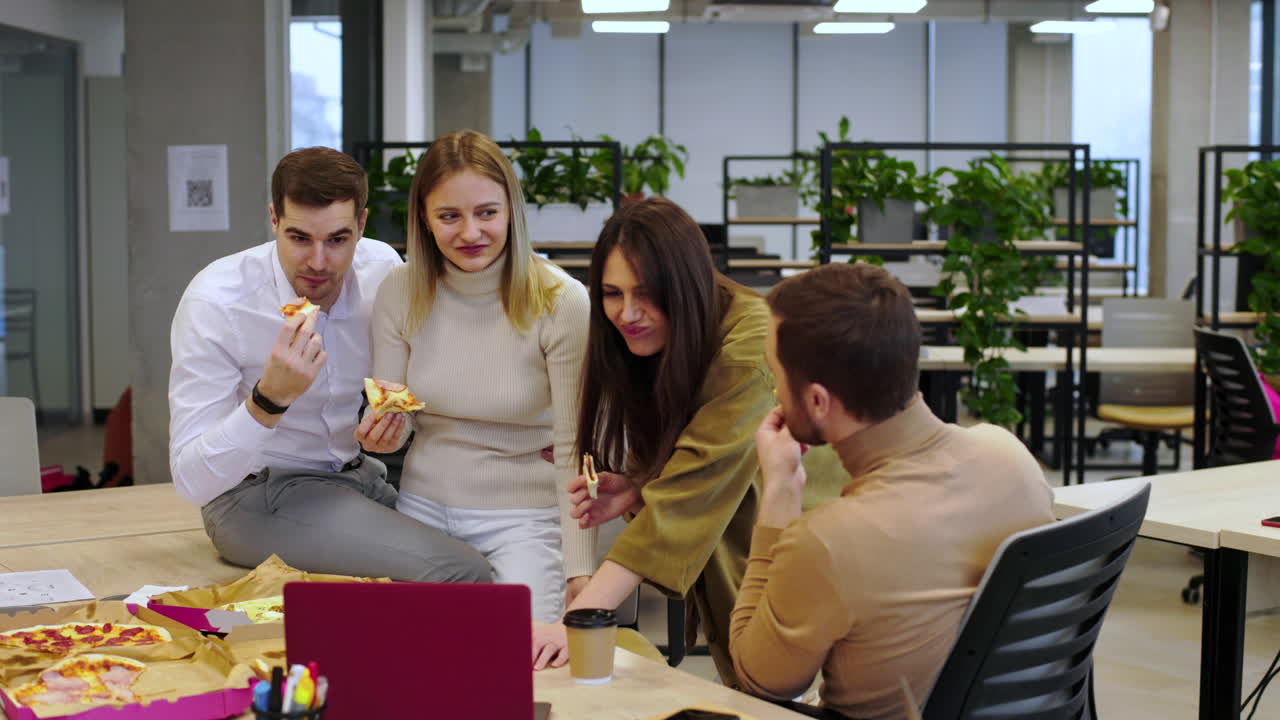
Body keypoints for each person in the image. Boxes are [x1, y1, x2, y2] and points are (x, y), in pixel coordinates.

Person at [531, 197, 846, 685]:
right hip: (737, 550)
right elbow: (687, 468)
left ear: (685, 283)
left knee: (791, 693)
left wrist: (582, 614)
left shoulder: (750, 345)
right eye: (612, 293)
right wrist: (641, 485)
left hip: (808, 551)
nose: (627, 313)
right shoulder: (662, 333)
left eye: (647, 293)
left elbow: (692, 487)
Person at [730, 262, 1056, 720]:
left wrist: (780, 493)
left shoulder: (830, 541)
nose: (775, 393)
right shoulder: (1011, 458)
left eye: (775, 375)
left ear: (818, 401)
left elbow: (760, 679)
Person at [169, 146, 491, 584]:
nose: (318, 262)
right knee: (461, 571)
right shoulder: (218, 301)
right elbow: (192, 482)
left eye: (337, 240)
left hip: (361, 476)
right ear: (273, 221)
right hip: (254, 496)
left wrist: (396, 417)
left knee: (507, 549)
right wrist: (268, 400)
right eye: (299, 238)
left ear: (361, 224)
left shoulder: (382, 270)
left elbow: (414, 378)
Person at [363, 130, 592, 624]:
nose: (470, 233)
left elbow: (577, 446)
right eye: (449, 216)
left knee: (521, 657)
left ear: (512, 211)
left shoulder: (562, 301)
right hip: (422, 511)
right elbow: (391, 411)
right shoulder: (399, 291)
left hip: (525, 521)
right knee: (412, 655)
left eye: (487, 213)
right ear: (423, 220)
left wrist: (581, 572)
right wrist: (380, 433)